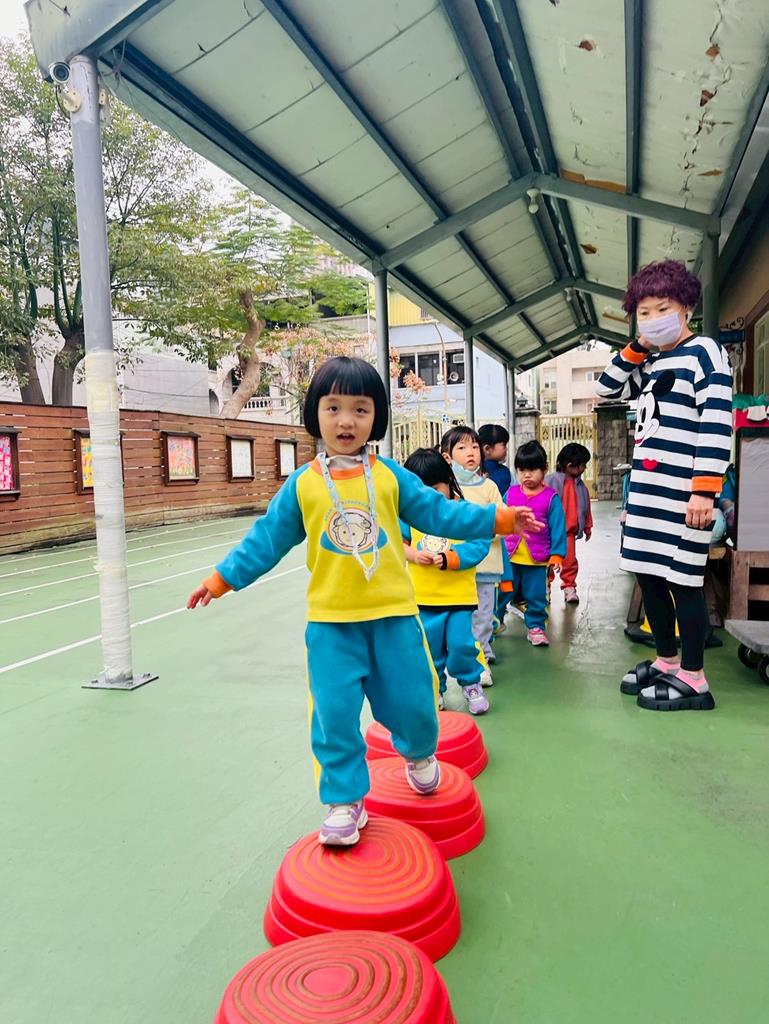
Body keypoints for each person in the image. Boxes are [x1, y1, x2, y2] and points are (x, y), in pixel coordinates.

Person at [187, 356, 539, 847]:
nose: (346, 420)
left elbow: (442, 513)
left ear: (377, 417)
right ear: (315, 413)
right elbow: (266, 540)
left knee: (413, 701)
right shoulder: (303, 484)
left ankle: (419, 754)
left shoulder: (391, 476)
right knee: (333, 716)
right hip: (332, 625)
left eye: (360, 408)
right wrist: (222, 579)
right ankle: (345, 801)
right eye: (333, 408)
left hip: (394, 618)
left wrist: (500, 519)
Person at [595, 260, 732, 711]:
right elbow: (606, 389)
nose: (653, 318)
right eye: (644, 311)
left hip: (685, 495)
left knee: (684, 581)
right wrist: (638, 346)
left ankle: (694, 677)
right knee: (648, 576)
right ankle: (668, 660)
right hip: (646, 493)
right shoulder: (651, 362)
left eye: (663, 308)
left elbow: (717, 422)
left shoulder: (705, 352)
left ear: (686, 308)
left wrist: (704, 490)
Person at [402, 448, 490, 715]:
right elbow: (397, 543)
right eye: (420, 492)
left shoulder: (462, 511)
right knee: (429, 650)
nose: (428, 498)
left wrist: (452, 558)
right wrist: (414, 555)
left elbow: (480, 543)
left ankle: (471, 683)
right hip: (423, 599)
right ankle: (435, 689)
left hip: (459, 598)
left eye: (435, 489)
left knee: (462, 644)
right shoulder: (409, 516)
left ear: (449, 481)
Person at [440, 425, 507, 682]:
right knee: (459, 621)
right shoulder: (445, 488)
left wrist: (482, 531)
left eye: (475, 447)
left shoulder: (489, 487)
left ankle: (481, 660)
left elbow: (502, 520)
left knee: (483, 617)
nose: (471, 452)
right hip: (456, 568)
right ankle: (471, 657)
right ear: (447, 456)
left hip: (485, 567)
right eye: (462, 447)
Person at [504, 440, 567, 647]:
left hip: (537, 559)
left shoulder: (551, 498)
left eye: (532, 470)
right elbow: (500, 517)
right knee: (503, 591)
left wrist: (557, 554)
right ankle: (493, 621)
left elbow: (558, 527)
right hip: (509, 557)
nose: (526, 475)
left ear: (545, 469)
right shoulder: (510, 493)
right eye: (522, 470)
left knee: (536, 596)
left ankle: (536, 627)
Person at [545, 443, 593, 604]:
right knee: (547, 561)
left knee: (570, 561)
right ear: (570, 466)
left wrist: (587, 526)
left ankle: (569, 587)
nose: (585, 468)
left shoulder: (581, 486)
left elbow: (586, 507)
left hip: (569, 533)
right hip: (549, 532)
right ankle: (545, 587)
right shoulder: (550, 481)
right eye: (583, 465)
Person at [478, 423, 511, 497]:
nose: (506, 449)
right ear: (487, 449)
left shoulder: (473, 471)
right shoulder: (504, 472)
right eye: (504, 445)